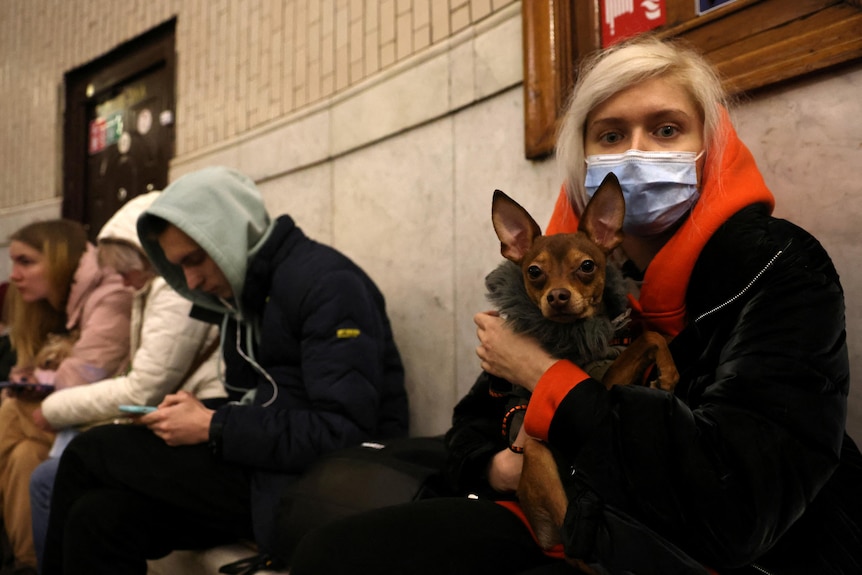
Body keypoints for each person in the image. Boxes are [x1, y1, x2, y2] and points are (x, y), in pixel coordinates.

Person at [288, 35, 862, 575]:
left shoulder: (777, 266)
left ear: (709, 148)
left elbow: (738, 507)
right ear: (582, 160)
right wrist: (498, 467)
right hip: (570, 509)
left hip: (717, 551)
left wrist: (543, 375)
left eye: (666, 130)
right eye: (610, 136)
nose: (636, 154)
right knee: (334, 553)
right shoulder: (554, 268)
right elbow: (474, 422)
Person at [40, 165, 409, 575]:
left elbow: (345, 432)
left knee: (91, 452)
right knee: (98, 517)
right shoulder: (244, 296)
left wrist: (214, 426)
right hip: (263, 471)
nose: (192, 281)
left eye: (196, 260)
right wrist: (195, 414)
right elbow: (260, 400)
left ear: (230, 235)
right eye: (179, 267)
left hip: (313, 483)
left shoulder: (327, 285)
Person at [28, 191, 227, 569]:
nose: (120, 281)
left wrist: (54, 407)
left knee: (60, 470)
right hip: (190, 418)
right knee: (83, 499)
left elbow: (143, 386)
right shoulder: (154, 289)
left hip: (203, 424)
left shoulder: (174, 292)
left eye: (124, 270)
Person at [0, 220, 133, 574]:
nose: (14, 275)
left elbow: (85, 374)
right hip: (62, 427)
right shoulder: (50, 300)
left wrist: (36, 380)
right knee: (25, 456)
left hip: (103, 425)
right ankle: (30, 567)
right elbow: (23, 370)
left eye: (26, 262)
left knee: (10, 412)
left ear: (59, 260)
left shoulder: (111, 292)